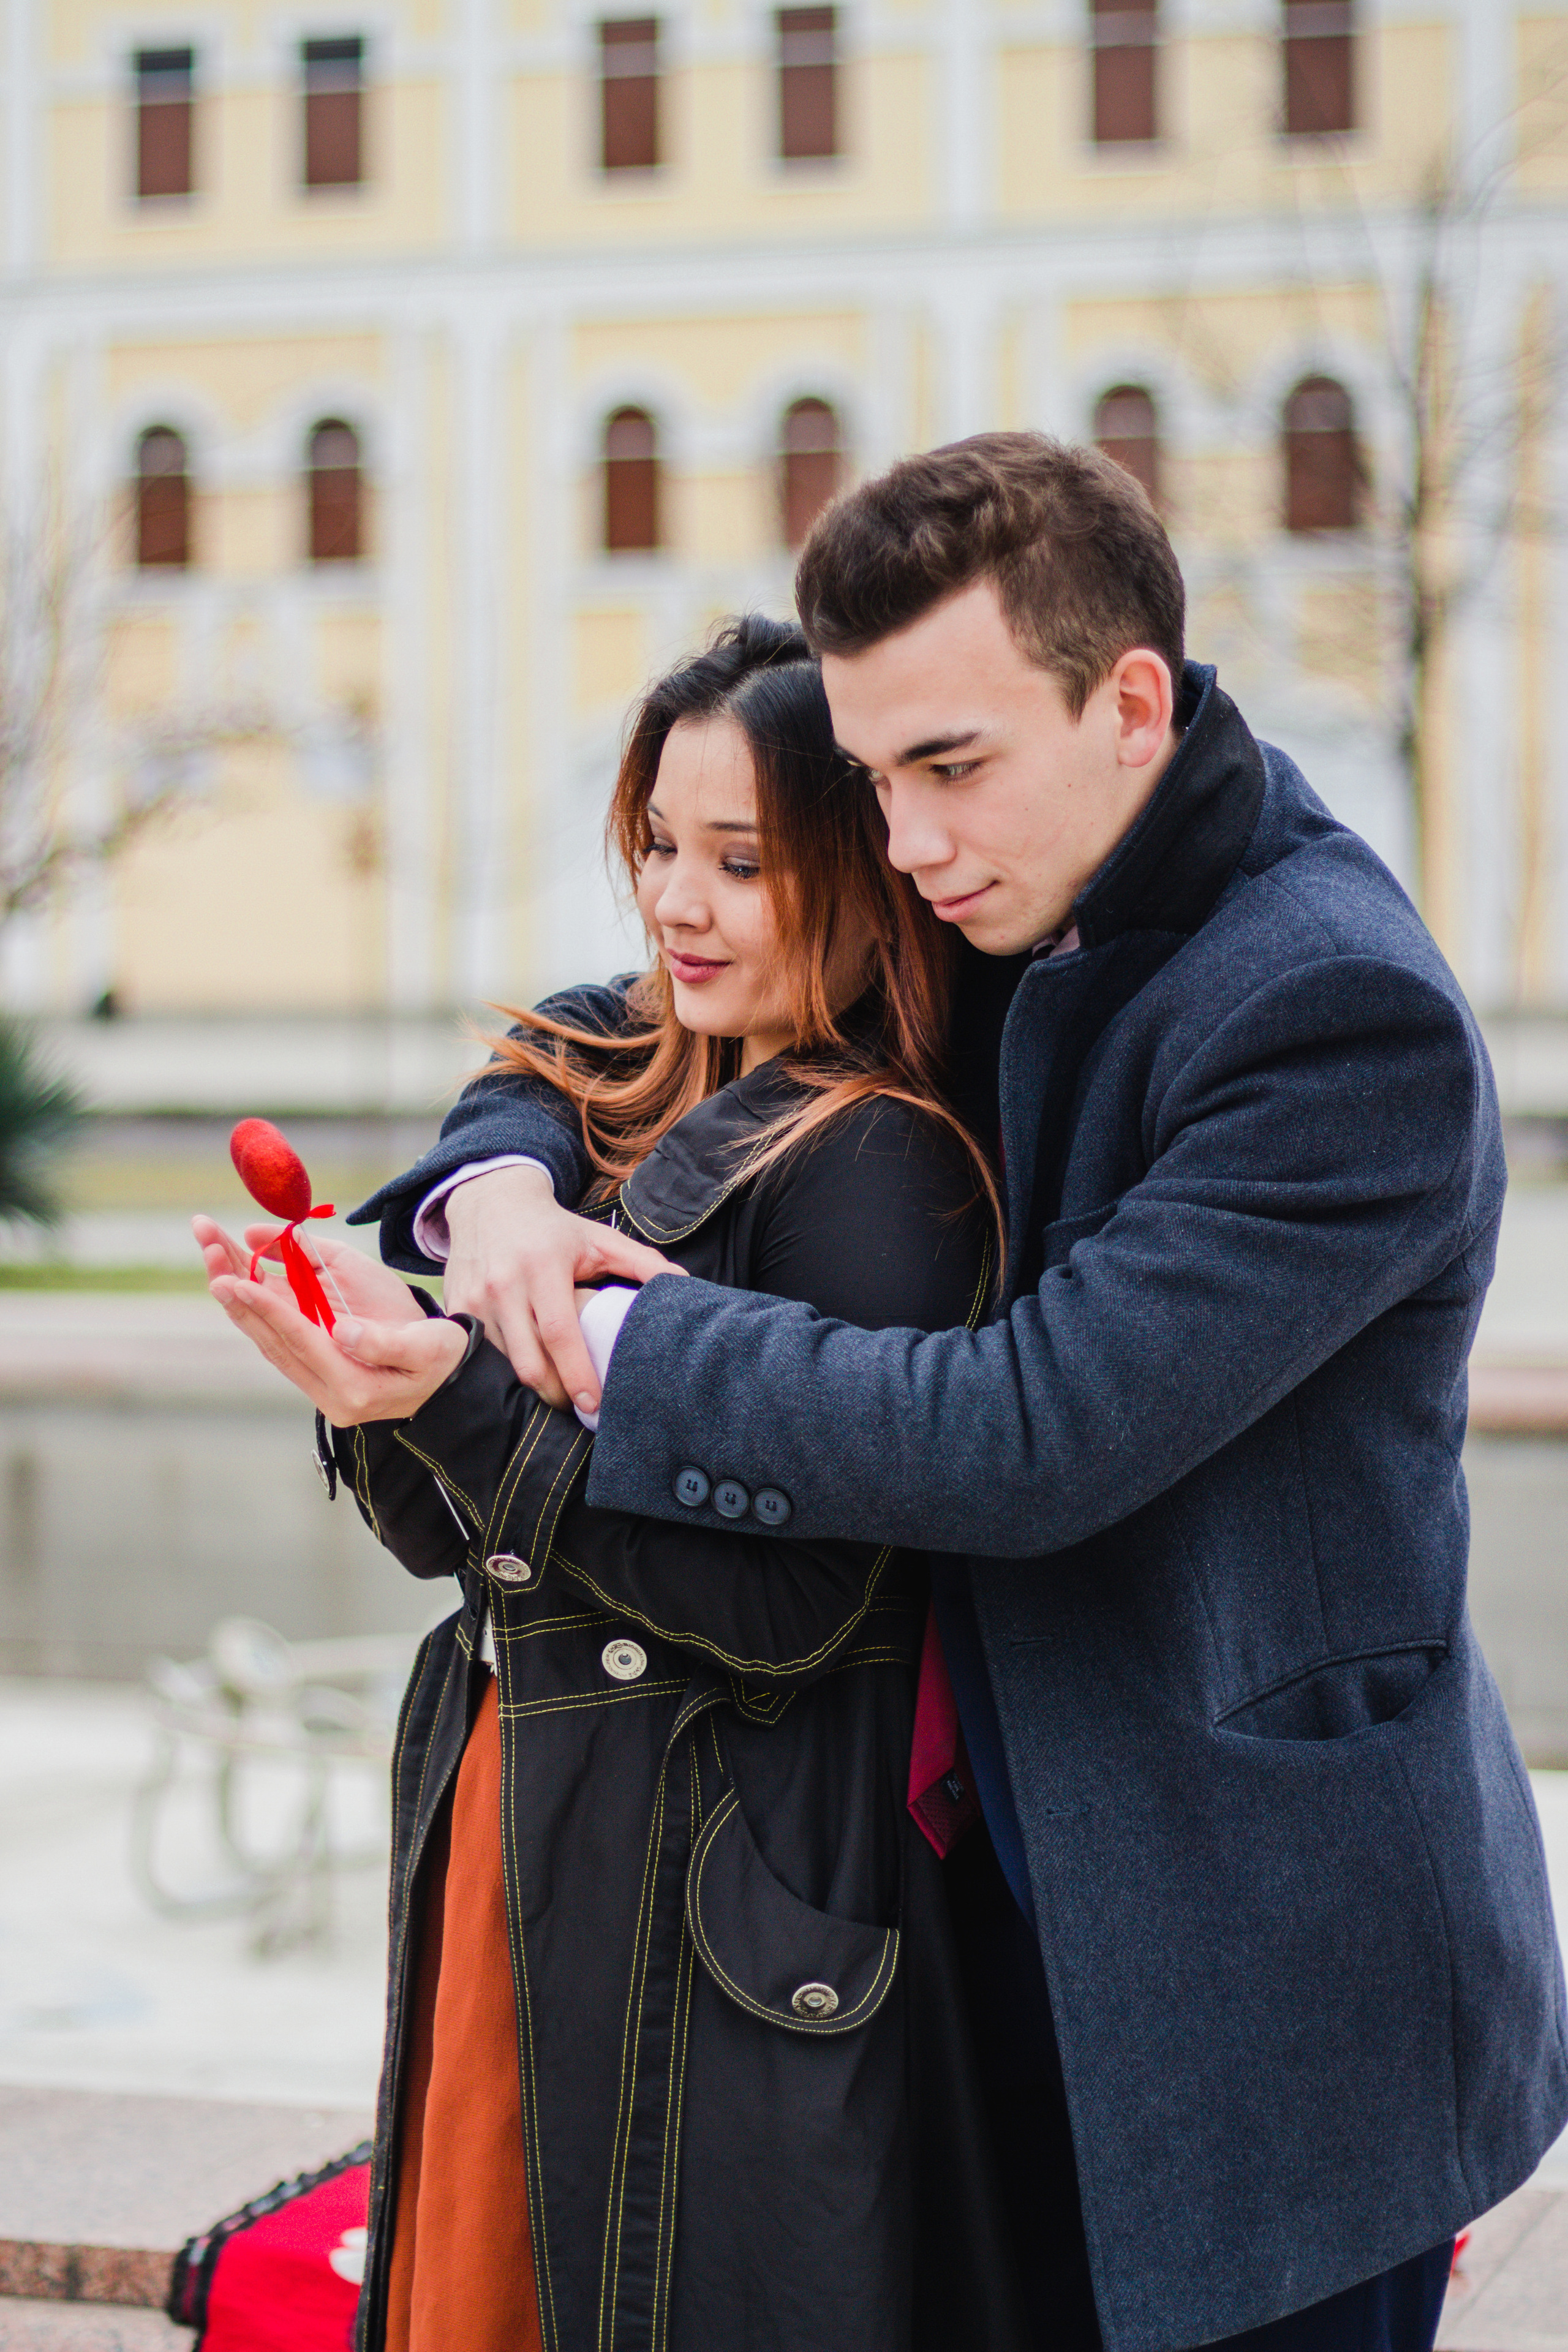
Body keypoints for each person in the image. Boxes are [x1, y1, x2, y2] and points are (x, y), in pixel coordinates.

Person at [358, 435, 1568, 2352]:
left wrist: (610, 1332)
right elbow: (627, 1010)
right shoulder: (1022, 862)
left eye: (947, 770)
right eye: (872, 779)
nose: (903, 846)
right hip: (971, 1935)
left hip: (1258, 1988)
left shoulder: (1336, 1014)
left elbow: (1034, 1435)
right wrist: (498, 1182)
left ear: (1132, 703)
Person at [195, 616, 1033, 2352]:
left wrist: (460, 1404)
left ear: (867, 870)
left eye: (744, 858)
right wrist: (382, 1387)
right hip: (539, 1808)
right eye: (660, 840)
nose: (678, 899)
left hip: (721, 1879)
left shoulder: (880, 1157)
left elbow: (811, 1606)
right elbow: (478, 1545)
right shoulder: (617, 1094)